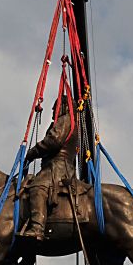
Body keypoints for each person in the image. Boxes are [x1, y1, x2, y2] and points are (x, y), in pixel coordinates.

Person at [21, 95, 78, 241]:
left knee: (37, 187)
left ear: (64, 107)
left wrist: (32, 152)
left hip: (57, 167)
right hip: (57, 165)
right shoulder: (69, 122)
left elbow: (53, 141)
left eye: (55, 107)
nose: (52, 110)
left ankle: (37, 228)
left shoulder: (65, 120)